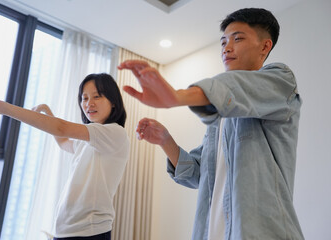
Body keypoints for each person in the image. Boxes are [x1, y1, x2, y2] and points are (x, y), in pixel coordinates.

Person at [118, 8, 304, 240]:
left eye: (238, 39)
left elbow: (238, 88)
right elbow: (198, 174)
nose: (227, 47)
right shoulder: (221, 118)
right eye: (223, 41)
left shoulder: (281, 80)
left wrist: (178, 96)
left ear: (265, 47)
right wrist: (166, 140)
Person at [0, 73, 130, 240]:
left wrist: (1, 107)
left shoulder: (114, 133)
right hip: (66, 230)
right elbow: (63, 141)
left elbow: (61, 128)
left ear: (113, 102)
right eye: (84, 98)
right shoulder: (88, 141)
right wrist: (47, 110)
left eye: (96, 96)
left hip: (89, 232)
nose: (89, 103)